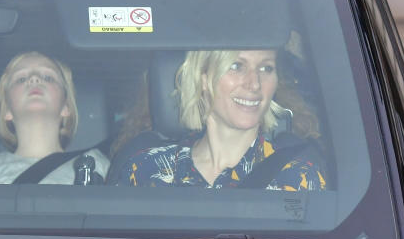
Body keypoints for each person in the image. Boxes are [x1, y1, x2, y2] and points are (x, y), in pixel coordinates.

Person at [116, 49, 325, 190]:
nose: (254, 84)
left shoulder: (299, 178)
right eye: (237, 66)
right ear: (204, 79)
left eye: (266, 68)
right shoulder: (144, 171)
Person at [0, 51, 110, 184]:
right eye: (21, 79)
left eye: (48, 77)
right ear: (7, 110)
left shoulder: (96, 164)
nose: (34, 78)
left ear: (66, 107)